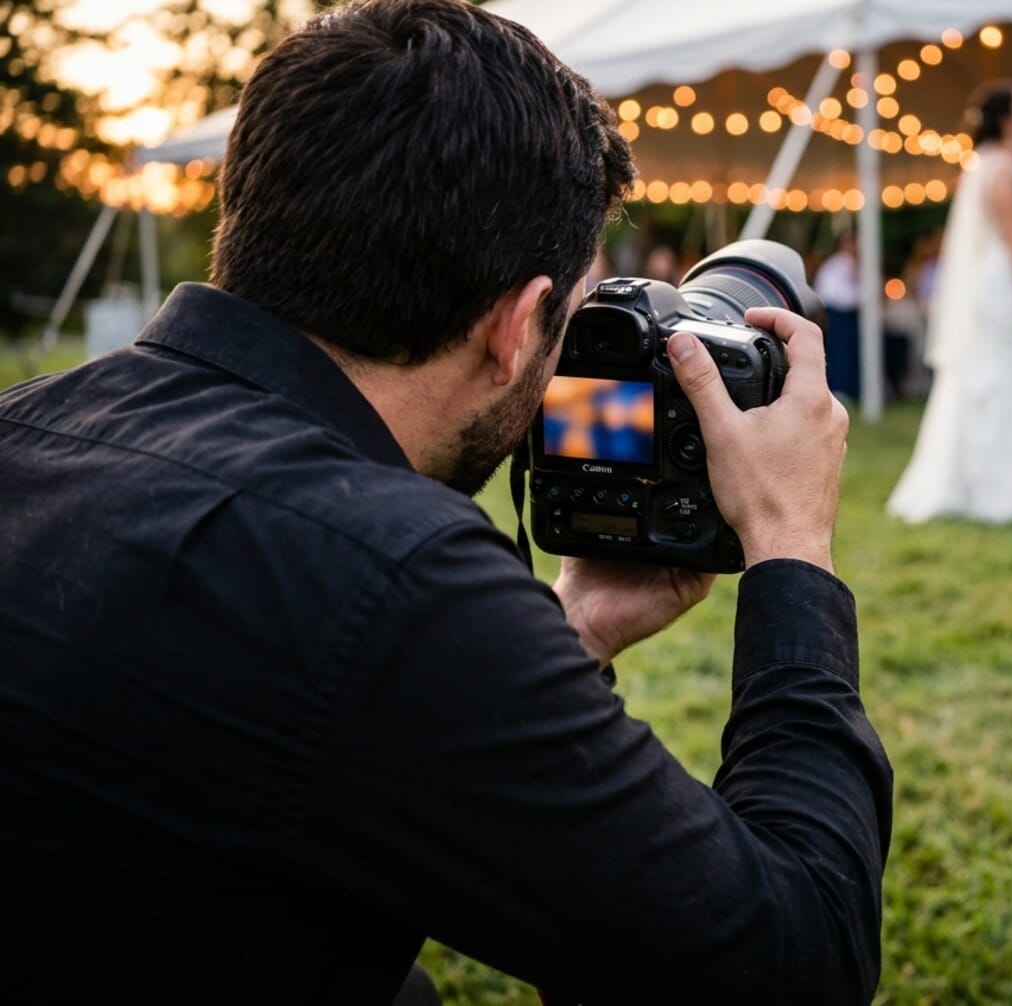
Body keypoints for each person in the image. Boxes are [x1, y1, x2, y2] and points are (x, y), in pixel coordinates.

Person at [0, 2, 892, 1004]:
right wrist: (791, 546)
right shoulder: (391, 579)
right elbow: (795, 958)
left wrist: (565, 633)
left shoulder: (23, 428)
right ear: (517, 327)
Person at [887, 81, 1012, 525]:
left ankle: (1000, 484)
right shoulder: (1002, 167)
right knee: (1002, 376)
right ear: (1006, 117)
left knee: (1004, 374)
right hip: (1005, 287)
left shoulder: (990, 164)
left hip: (1001, 284)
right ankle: (999, 488)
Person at [815, 230, 862, 400]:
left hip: (840, 313)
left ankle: (845, 388)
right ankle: (839, 388)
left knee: (843, 351)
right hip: (839, 313)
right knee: (841, 351)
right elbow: (839, 294)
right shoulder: (843, 264)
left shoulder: (843, 264)